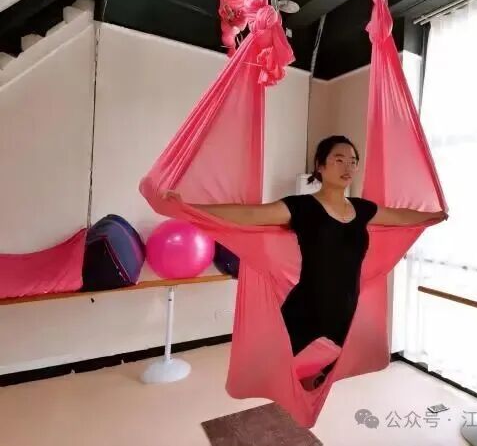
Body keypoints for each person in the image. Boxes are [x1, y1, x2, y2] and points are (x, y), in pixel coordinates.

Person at [164, 135, 447, 390]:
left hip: (345, 310)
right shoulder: (301, 207)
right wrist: (189, 208)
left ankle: (307, 396)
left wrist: (432, 217)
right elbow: (249, 214)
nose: (348, 167)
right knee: (279, 375)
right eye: (339, 159)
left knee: (323, 372)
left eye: (353, 161)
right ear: (320, 166)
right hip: (306, 308)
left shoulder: (362, 209)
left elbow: (400, 217)